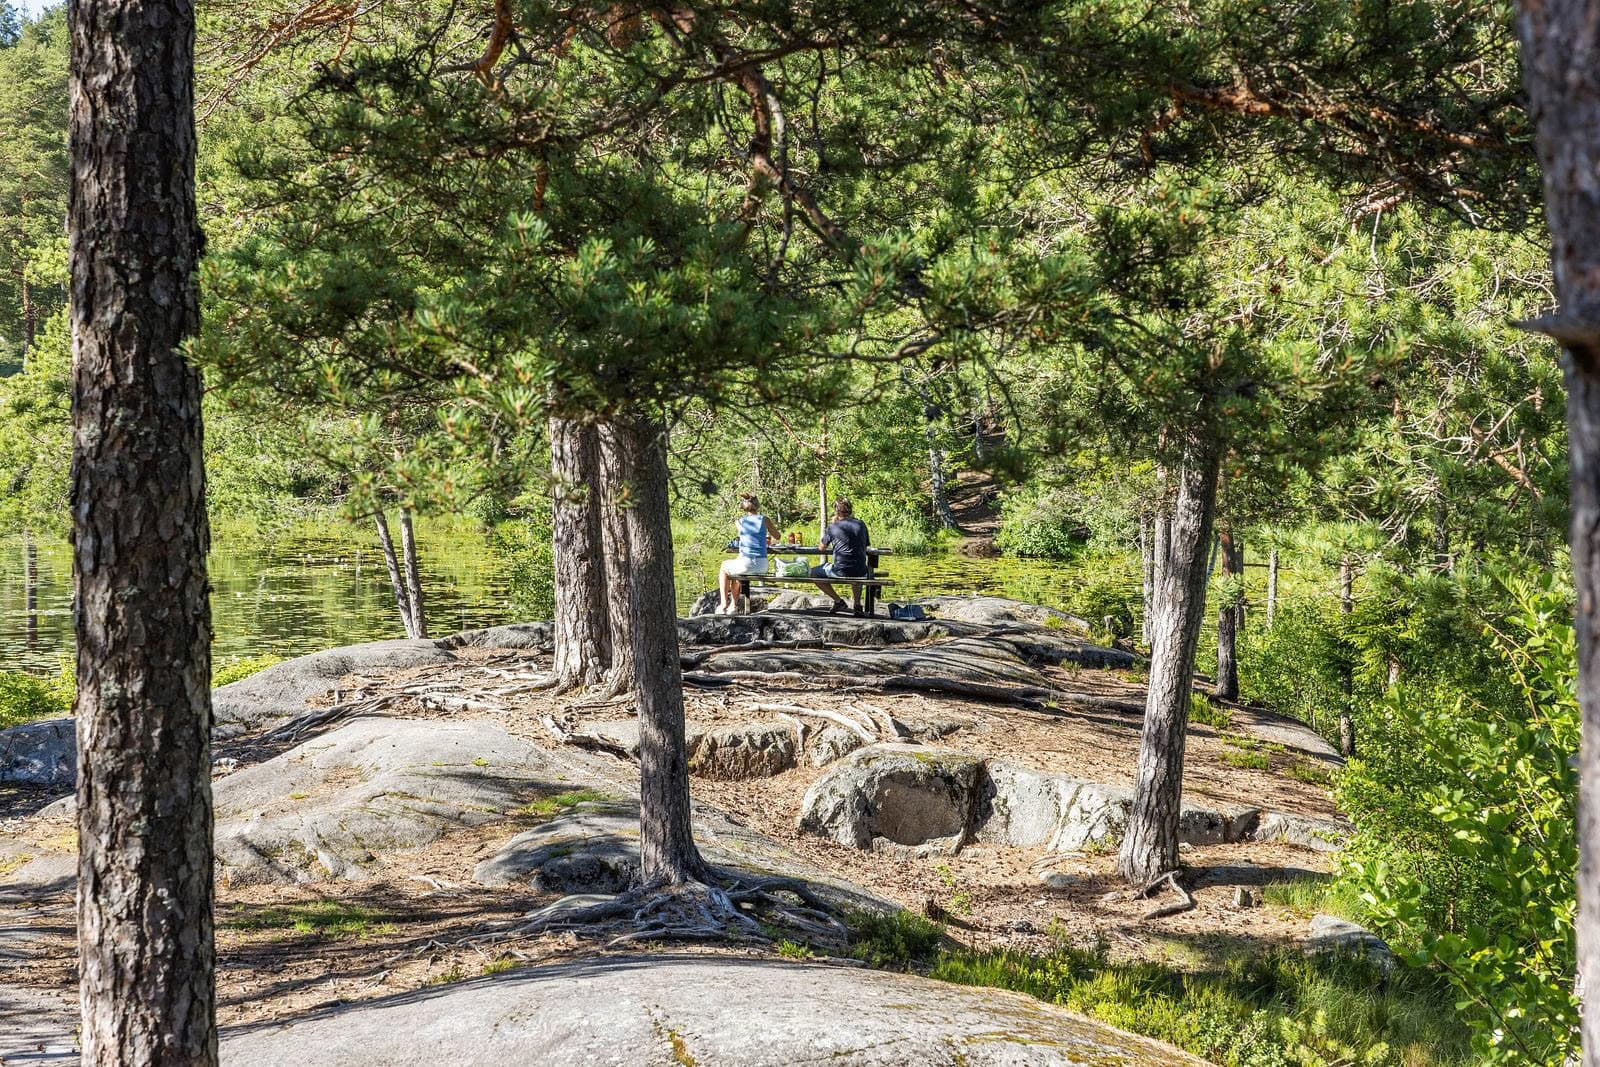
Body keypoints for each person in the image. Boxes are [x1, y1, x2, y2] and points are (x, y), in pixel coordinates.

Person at [719, 493, 779, 614]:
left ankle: (724, 603)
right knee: (737, 573)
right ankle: (732, 606)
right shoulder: (765, 520)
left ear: (743, 507)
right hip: (762, 565)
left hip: (746, 564)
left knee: (724, 568)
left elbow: (745, 534)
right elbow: (777, 536)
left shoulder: (740, 522)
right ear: (758, 506)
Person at [812, 498, 870, 614]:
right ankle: (857, 605)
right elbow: (866, 545)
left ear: (837, 512)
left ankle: (838, 601)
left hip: (840, 571)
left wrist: (833, 526)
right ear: (850, 511)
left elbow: (821, 548)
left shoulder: (833, 527)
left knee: (813, 573)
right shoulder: (861, 524)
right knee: (857, 571)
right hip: (861, 570)